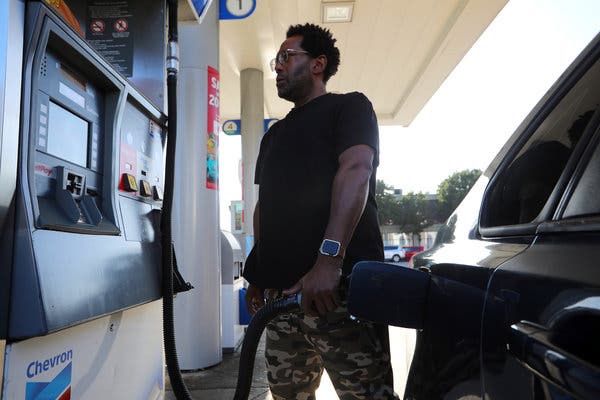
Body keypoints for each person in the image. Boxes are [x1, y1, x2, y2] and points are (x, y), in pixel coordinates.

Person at [242, 23, 398, 400]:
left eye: (286, 56)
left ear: (317, 64)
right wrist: (257, 274)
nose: (278, 66)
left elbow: (356, 170)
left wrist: (329, 259)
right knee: (288, 396)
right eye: (276, 59)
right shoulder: (273, 135)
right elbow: (268, 204)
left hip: (338, 294)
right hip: (281, 303)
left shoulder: (349, 107)